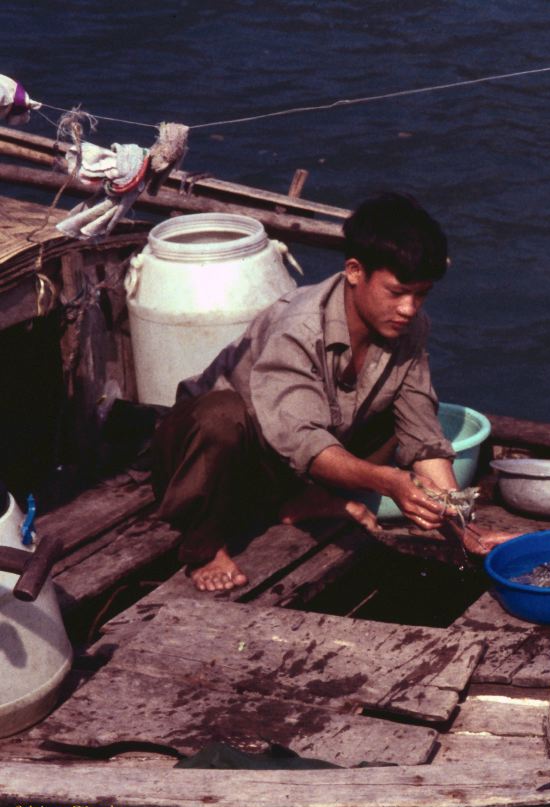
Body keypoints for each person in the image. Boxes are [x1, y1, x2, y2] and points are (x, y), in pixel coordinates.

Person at [151, 192, 511, 592]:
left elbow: (423, 438)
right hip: (214, 459)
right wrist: (388, 480)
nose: (410, 308)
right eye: (396, 293)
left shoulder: (409, 329)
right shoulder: (300, 326)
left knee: (402, 413)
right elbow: (304, 442)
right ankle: (203, 546)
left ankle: (298, 500)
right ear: (355, 271)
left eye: (421, 294)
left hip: (288, 467)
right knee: (220, 416)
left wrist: (465, 529)